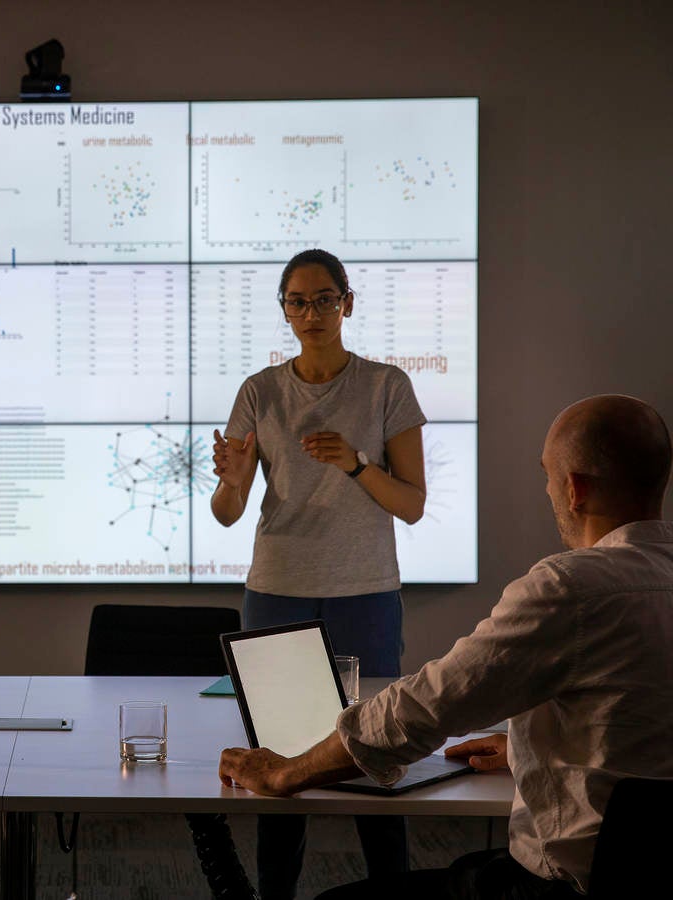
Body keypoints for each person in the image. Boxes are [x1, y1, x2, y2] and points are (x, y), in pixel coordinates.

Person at [219, 394, 673, 899]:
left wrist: (287, 771)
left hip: (563, 886)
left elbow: (422, 708)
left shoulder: (571, 588)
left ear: (574, 489)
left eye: (546, 475)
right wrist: (524, 747)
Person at [208, 248, 427, 898]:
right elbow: (227, 514)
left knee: (377, 747)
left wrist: (357, 465)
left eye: (325, 299)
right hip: (276, 589)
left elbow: (412, 505)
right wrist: (227, 479)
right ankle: (277, 892)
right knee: (280, 753)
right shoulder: (260, 391)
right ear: (284, 310)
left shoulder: (386, 385)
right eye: (298, 302)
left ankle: (395, 887)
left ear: (347, 303)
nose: (311, 312)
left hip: (365, 591)